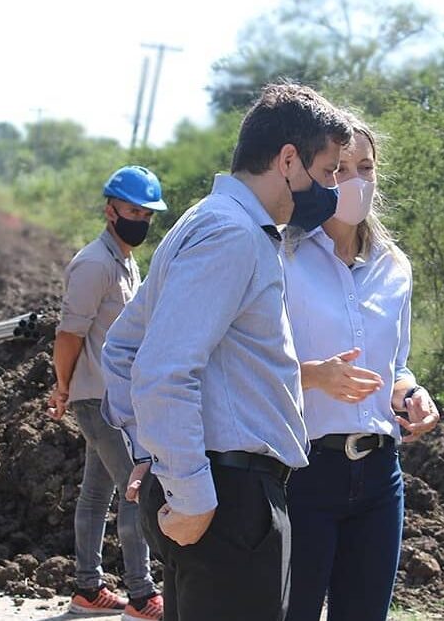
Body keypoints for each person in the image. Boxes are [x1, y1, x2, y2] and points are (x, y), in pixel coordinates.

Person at [100, 83, 353, 621]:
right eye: (328, 170)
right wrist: (190, 492)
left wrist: (155, 456)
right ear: (288, 160)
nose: (333, 187)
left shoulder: (210, 221)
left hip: (224, 495)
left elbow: (123, 348)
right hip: (230, 503)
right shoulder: (231, 235)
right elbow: (162, 368)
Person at [281, 118, 439, 621]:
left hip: (378, 476)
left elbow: (395, 366)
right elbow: (246, 363)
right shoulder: (282, 255)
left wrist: (411, 392)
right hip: (301, 471)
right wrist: (311, 375)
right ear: (314, 172)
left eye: (366, 168)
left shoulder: (395, 266)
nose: (355, 181)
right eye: (340, 168)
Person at [48, 165, 167, 620]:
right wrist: (62, 388)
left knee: (96, 495)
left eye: (146, 212)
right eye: (132, 210)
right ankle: (141, 595)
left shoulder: (124, 260)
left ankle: (87, 588)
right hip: (99, 400)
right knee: (136, 489)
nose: (140, 218)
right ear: (110, 210)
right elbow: (69, 334)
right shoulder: (94, 264)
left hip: (116, 399)